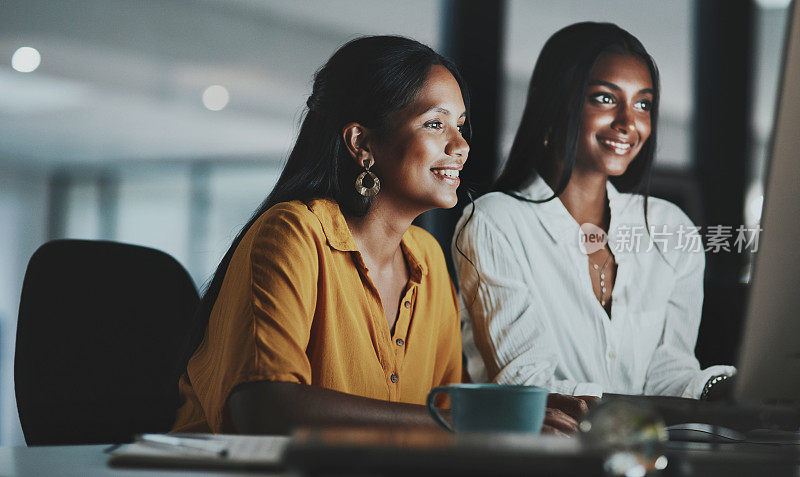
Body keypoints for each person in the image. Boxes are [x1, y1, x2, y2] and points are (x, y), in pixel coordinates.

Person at [171, 35, 586, 436]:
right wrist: (470, 421)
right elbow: (265, 409)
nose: (460, 145)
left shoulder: (426, 256)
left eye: (460, 125)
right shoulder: (292, 234)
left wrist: (531, 414)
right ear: (361, 142)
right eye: (435, 123)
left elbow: (442, 411)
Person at [453, 23, 735, 401]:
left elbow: (668, 374)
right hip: (536, 458)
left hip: (644, 453)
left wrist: (724, 388)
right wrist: (638, 416)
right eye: (605, 99)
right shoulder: (493, 223)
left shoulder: (671, 230)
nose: (628, 123)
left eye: (644, 104)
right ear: (557, 103)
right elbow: (525, 385)